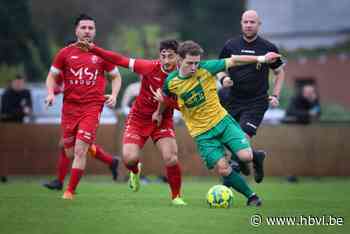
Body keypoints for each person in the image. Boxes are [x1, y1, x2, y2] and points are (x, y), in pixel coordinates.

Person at [157, 40, 281, 206]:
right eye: (190, 63)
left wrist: (262, 59)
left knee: (245, 156)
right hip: (202, 134)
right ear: (179, 61)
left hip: (223, 122)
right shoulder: (171, 82)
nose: (194, 67)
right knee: (223, 168)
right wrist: (158, 113)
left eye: (196, 63)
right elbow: (164, 98)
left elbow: (234, 60)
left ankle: (255, 157)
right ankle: (252, 197)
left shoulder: (207, 68)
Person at [76, 39, 186, 205]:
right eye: (163, 56)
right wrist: (93, 49)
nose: (166, 61)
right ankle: (135, 171)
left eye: (170, 56)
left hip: (163, 121)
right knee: (129, 159)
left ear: (178, 57)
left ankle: (176, 197)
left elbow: (186, 107)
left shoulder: (183, 77)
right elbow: (120, 59)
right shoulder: (149, 67)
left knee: (171, 158)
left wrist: (167, 102)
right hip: (139, 119)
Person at [45, 14, 122, 200]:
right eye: (84, 27)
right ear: (76, 30)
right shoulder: (65, 53)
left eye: (91, 28)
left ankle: (69, 191)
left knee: (80, 150)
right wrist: (49, 93)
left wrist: (114, 95)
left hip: (92, 108)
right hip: (70, 109)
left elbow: (116, 76)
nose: (87, 31)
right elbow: (51, 76)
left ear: (94, 31)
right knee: (69, 150)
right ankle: (111, 161)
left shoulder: (102, 54)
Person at [217, 10, 286, 181]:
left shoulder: (268, 48)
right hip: (231, 99)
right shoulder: (230, 45)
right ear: (241, 23)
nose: (248, 25)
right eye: (245, 22)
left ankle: (236, 169)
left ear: (259, 25)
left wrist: (276, 95)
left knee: (239, 139)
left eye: (252, 22)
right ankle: (255, 157)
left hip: (256, 102)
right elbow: (219, 68)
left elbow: (280, 73)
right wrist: (224, 78)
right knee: (224, 139)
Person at [43, 74, 120, 191]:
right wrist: (53, 92)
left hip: (88, 113)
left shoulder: (86, 69)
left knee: (75, 146)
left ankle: (61, 182)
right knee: (82, 147)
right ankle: (111, 161)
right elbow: (55, 84)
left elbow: (108, 78)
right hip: (73, 113)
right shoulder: (67, 68)